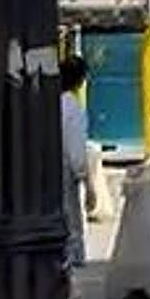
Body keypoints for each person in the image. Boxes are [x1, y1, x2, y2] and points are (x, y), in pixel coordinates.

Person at [59, 56, 89, 269]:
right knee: (70, 214)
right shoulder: (72, 107)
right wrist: (84, 176)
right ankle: (73, 254)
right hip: (64, 171)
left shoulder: (46, 102)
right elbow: (76, 149)